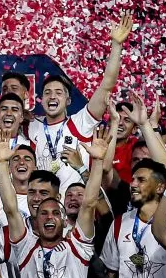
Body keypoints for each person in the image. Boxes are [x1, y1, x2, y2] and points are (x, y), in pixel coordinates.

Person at [0, 126, 110, 278]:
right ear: (36, 220)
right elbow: (10, 208)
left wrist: (96, 162)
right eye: (43, 213)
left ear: (63, 215)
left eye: (54, 213)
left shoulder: (78, 247)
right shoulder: (26, 248)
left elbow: (88, 204)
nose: (49, 217)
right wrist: (2, 164)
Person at [27, 14, 133, 191]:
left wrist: (116, 45)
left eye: (58, 93)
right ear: (41, 99)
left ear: (68, 100)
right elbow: (5, 123)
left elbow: (107, 85)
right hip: (41, 206)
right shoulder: (31, 125)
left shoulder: (81, 122)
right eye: (47, 93)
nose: (52, 96)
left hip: (76, 206)